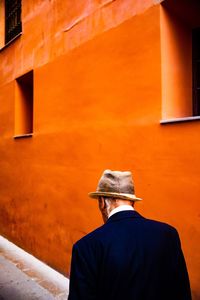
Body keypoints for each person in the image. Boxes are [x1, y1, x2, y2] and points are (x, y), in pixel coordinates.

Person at [68, 170, 192, 300]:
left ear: (102, 202)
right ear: (132, 201)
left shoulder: (85, 247)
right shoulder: (168, 234)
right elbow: (182, 292)